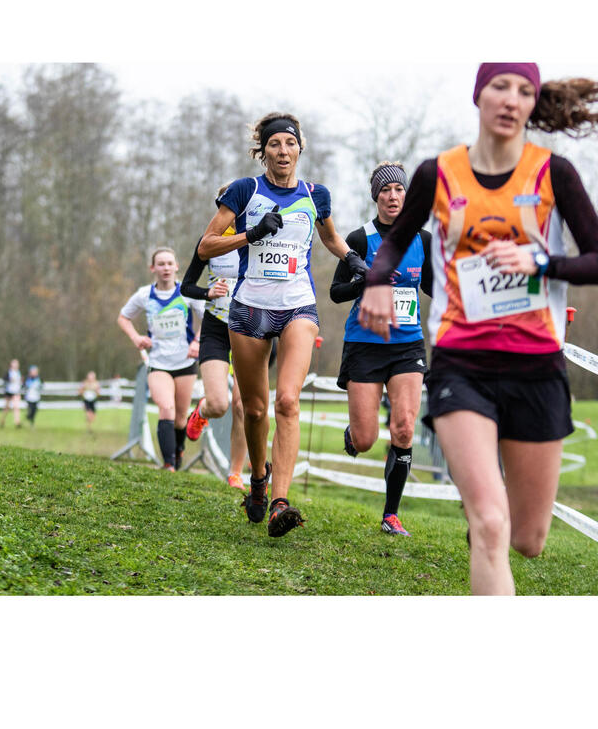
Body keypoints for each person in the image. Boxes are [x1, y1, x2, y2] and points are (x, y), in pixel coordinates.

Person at [357, 63, 598, 594]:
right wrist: (377, 279)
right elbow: (397, 238)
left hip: (536, 366)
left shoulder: (553, 174)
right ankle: (484, 521)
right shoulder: (436, 173)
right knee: (490, 524)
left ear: (534, 105)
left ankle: (490, 520)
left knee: (528, 538)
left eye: (525, 91)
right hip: (460, 362)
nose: (512, 100)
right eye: (500, 87)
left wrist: (541, 262)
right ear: (478, 95)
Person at [198, 112, 368, 537]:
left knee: (287, 401)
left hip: (297, 306)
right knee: (254, 410)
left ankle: (280, 502)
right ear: (263, 151)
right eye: (274, 144)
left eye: (289, 144)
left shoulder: (316, 194)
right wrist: (251, 234)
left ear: (299, 148)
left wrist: (350, 258)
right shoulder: (244, 191)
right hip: (249, 307)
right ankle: (258, 481)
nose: (283, 151)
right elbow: (205, 246)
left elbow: (329, 236)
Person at [330, 161, 432, 537]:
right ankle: (353, 433)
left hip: (407, 346)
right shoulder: (359, 239)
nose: (392, 197)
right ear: (376, 197)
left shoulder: (423, 241)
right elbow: (336, 292)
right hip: (365, 345)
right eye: (385, 191)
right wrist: (365, 281)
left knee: (404, 427)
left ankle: (391, 515)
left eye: (399, 190)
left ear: (407, 196)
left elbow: (439, 289)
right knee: (366, 439)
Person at [181, 184, 248, 490]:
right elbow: (186, 287)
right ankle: (201, 411)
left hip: (250, 329)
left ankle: (236, 472)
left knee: (244, 407)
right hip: (216, 328)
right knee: (220, 404)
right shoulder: (209, 241)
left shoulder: (256, 239)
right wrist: (208, 292)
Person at [118, 247, 205, 471]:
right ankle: (168, 464)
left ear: (176, 266)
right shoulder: (144, 295)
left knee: (180, 419)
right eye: (161, 264)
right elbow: (123, 317)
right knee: (166, 407)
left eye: (169, 263)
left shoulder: (187, 292)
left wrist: (197, 341)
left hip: (185, 363)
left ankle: (177, 454)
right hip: (158, 363)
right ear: (153, 268)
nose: (165, 268)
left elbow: (208, 318)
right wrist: (136, 337)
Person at [0, 358, 22, 428]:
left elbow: (20, 383)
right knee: (7, 408)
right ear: (11, 365)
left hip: (16, 392)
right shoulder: (8, 372)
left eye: (17, 364)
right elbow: (4, 380)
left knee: (16, 407)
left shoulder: (19, 373)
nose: (16, 365)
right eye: (14, 363)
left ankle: (17, 422)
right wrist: (9, 380)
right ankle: (2, 420)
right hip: (9, 392)